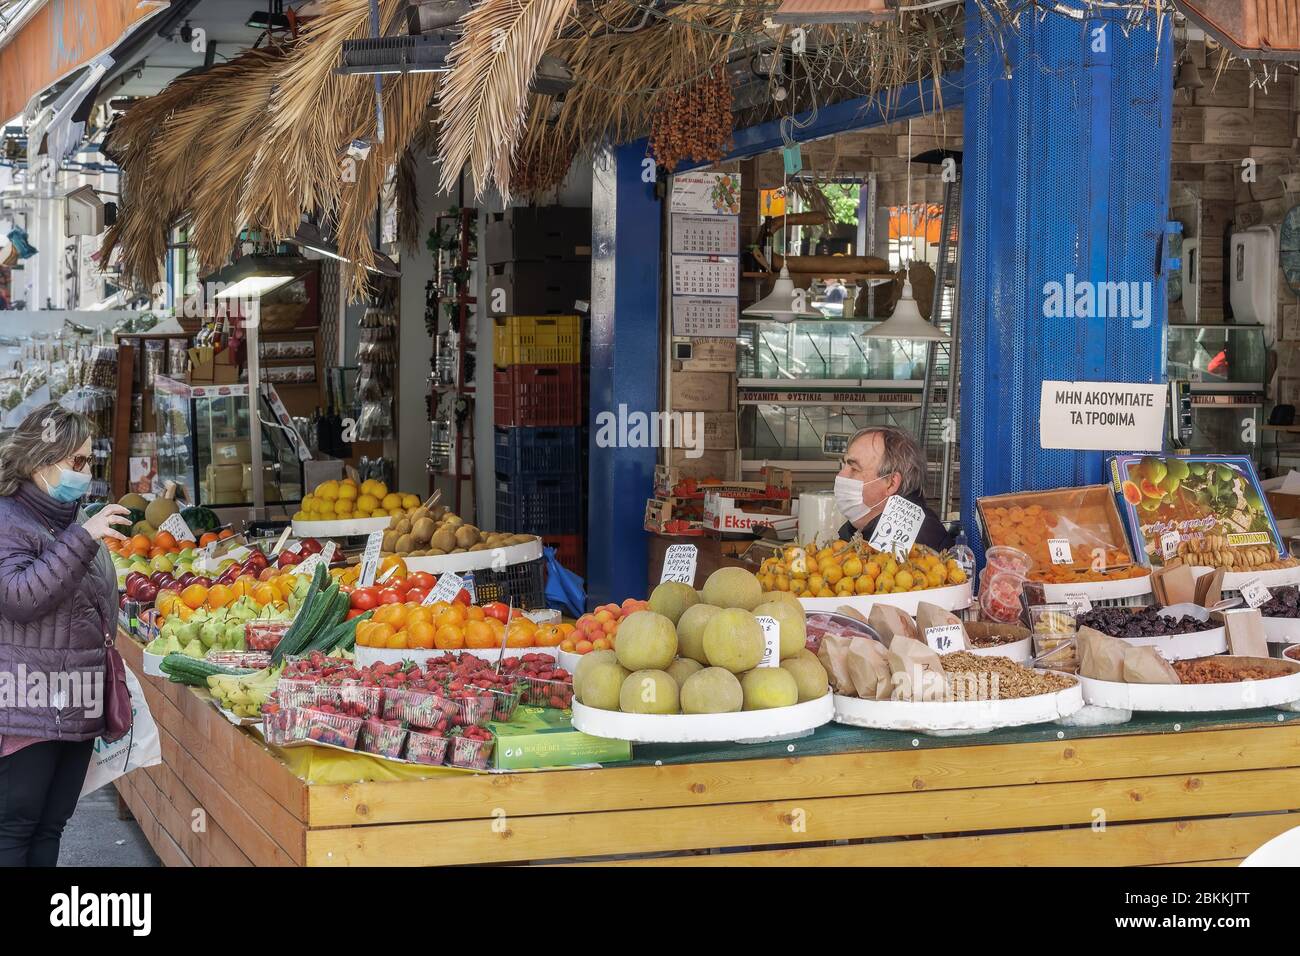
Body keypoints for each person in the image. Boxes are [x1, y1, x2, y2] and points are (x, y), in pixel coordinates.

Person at [0, 403, 133, 866]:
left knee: (51, 824)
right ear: (40, 461)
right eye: (76, 462)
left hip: (74, 701)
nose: (85, 472)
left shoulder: (66, 519)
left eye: (89, 461)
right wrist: (84, 538)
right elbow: (18, 596)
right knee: (16, 827)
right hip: (25, 707)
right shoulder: (8, 519)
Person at [834, 425, 954, 551]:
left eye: (854, 469)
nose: (840, 475)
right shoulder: (860, 531)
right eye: (844, 464)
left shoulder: (919, 548)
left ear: (891, 483)